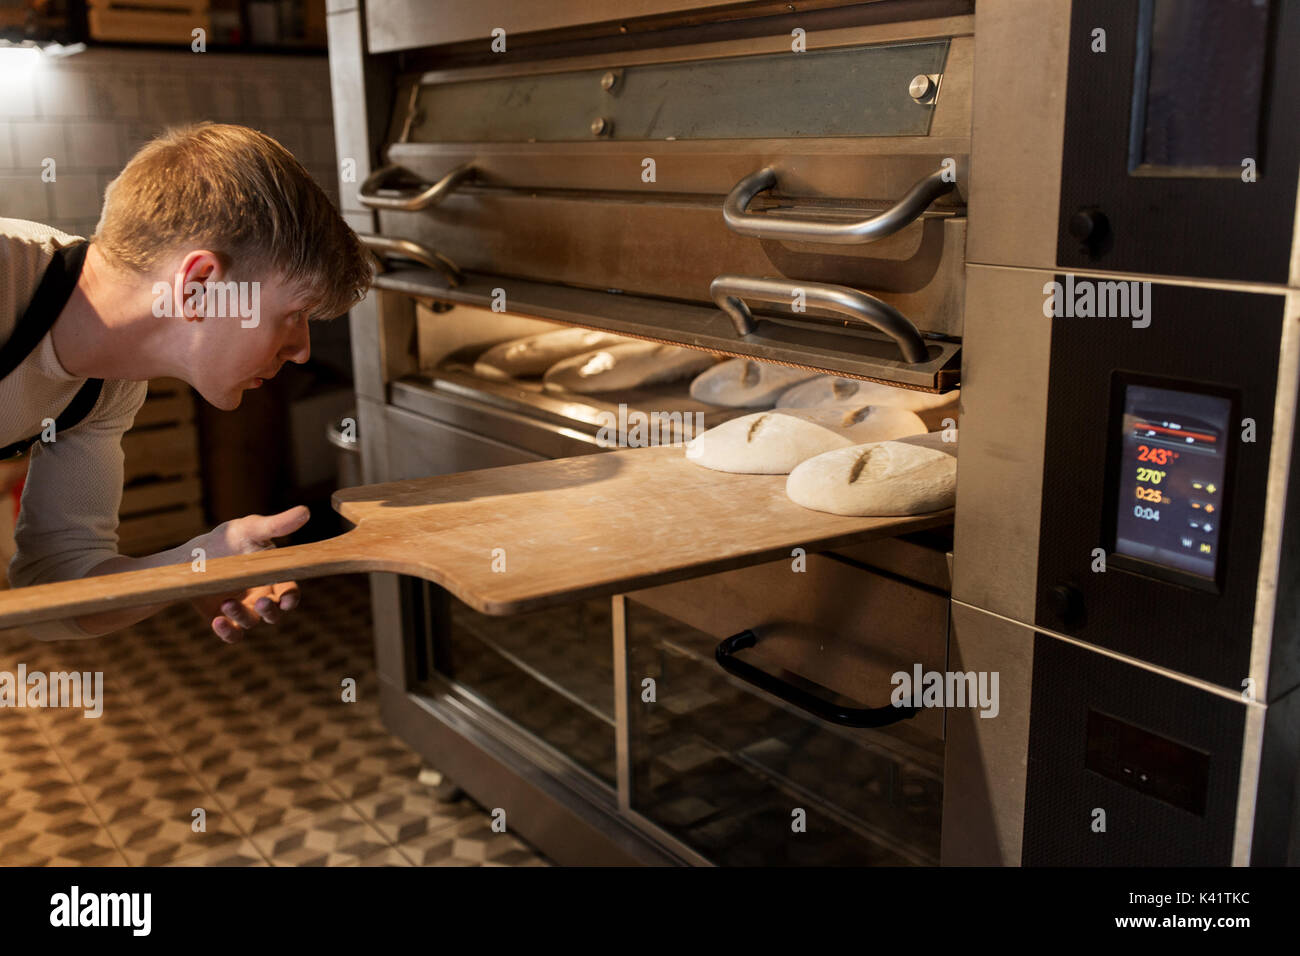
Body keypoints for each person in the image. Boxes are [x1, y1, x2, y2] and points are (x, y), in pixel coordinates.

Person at [0, 122, 372, 642]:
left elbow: (56, 589)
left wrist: (193, 566)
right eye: (294, 313)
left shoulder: (107, 391)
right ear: (200, 286)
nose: (302, 350)